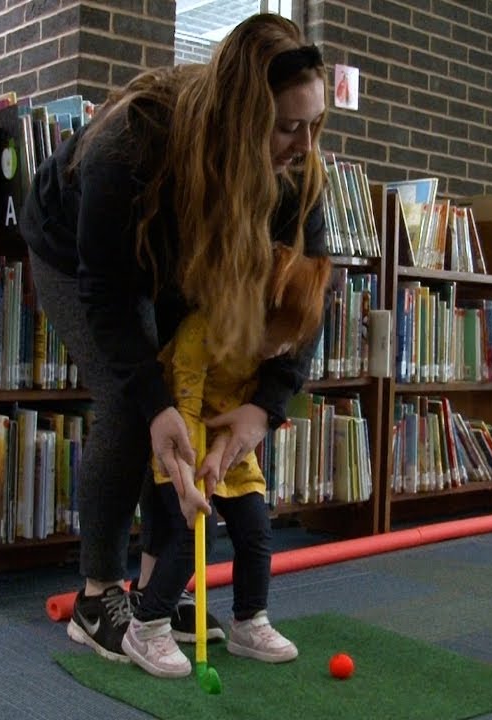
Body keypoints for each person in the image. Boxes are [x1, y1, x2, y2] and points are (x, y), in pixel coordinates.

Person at [18, 12, 329, 668]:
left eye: (315, 124)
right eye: (288, 126)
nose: (305, 144)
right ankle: (99, 595)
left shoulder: (295, 170)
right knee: (137, 410)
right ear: (244, 119)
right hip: (79, 248)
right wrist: (156, 405)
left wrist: (263, 406)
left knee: (195, 413)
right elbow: (107, 298)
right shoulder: (133, 143)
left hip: (178, 255)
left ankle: (160, 586)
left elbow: (305, 297)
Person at [128, 244, 331, 678]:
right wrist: (189, 482)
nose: (284, 350)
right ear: (250, 309)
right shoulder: (200, 334)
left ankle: (249, 620)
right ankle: (146, 626)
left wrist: (222, 453)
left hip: (225, 442)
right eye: (278, 339)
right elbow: (183, 409)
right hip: (180, 440)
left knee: (256, 530)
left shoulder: (265, 350)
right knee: (194, 535)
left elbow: (241, 410)